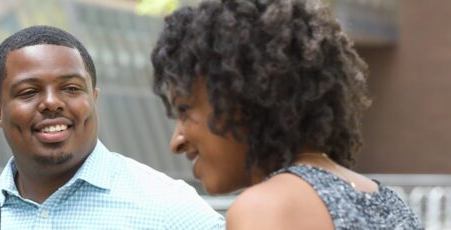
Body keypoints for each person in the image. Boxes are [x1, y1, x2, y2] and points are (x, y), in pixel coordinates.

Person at [150, 0, 423, 229]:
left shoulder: (268, 209)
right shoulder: (387, 201)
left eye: (185, 110)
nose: (176, 142)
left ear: (246, 97)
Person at [0, 25, 224, 229]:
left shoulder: (168, 208)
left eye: (71, 88)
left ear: (93, 99)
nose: (52, 103)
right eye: (28, 92)